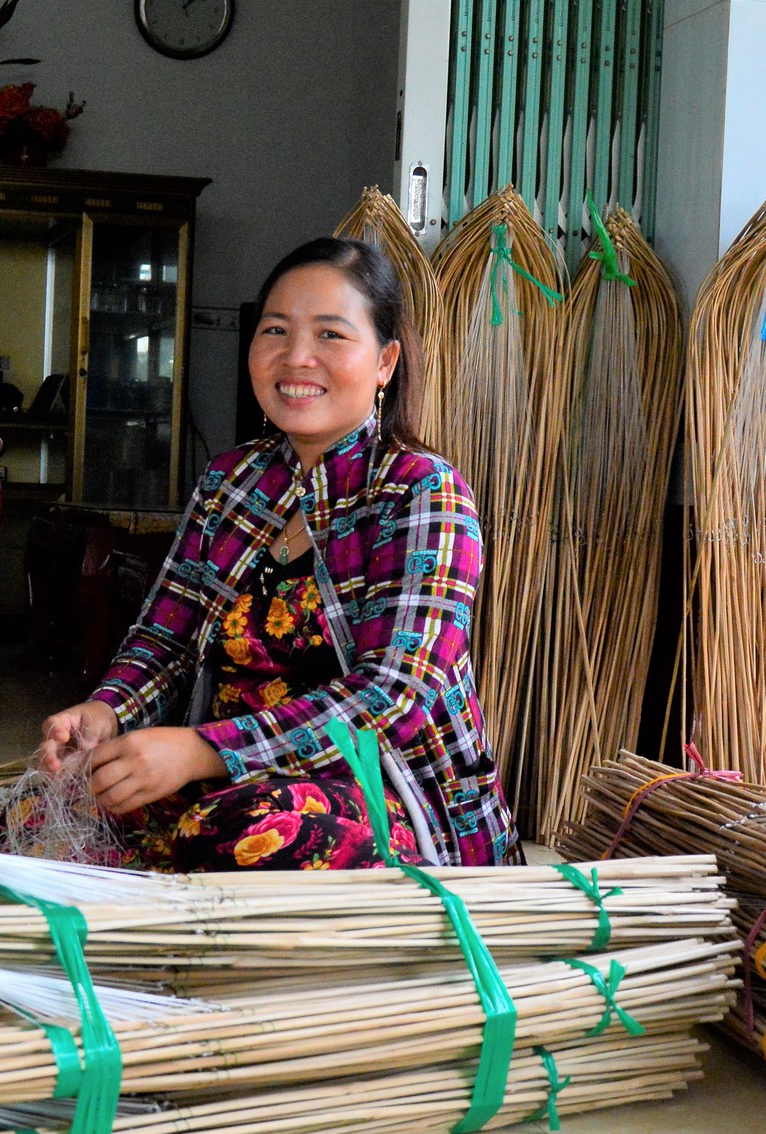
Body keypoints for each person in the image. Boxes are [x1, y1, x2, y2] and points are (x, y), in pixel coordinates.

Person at [32, 236, 519, 872]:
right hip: (225, 780)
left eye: (331, 336)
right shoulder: (232, 481)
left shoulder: (421, 490)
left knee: (249, 832)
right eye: (275, 330)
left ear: (385, 361)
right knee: (51, 808)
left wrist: (204, 751)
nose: (297, 358)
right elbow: (165, 640)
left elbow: (394, 696)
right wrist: (105, 712)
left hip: (383, 797)